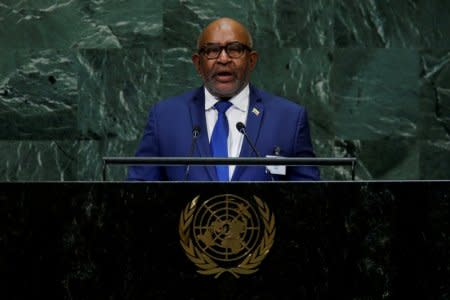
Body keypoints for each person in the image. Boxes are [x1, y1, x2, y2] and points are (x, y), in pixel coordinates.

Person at [127, 17, 320, 181]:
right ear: (198, 63)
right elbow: (138, 194)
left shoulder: (289, 118)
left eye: (235, 49)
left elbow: (309, 200)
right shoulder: (165, 117)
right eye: (212, 50)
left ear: (251, 60)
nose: (224, 58)